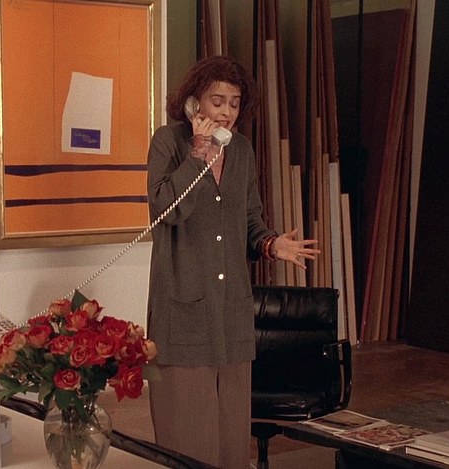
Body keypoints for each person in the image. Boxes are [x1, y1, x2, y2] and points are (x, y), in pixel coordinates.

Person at [145, 55, 320, 468]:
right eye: (217, 101)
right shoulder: (168, 142)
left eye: (235, 103)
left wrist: (271, 244)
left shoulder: (241, 150)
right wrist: (199, 153)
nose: (226, 111)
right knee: (188, 438)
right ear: (193, 102)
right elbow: (165, 210)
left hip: (231, 315)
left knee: (231, 441)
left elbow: (250, 221)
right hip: (183, 313)